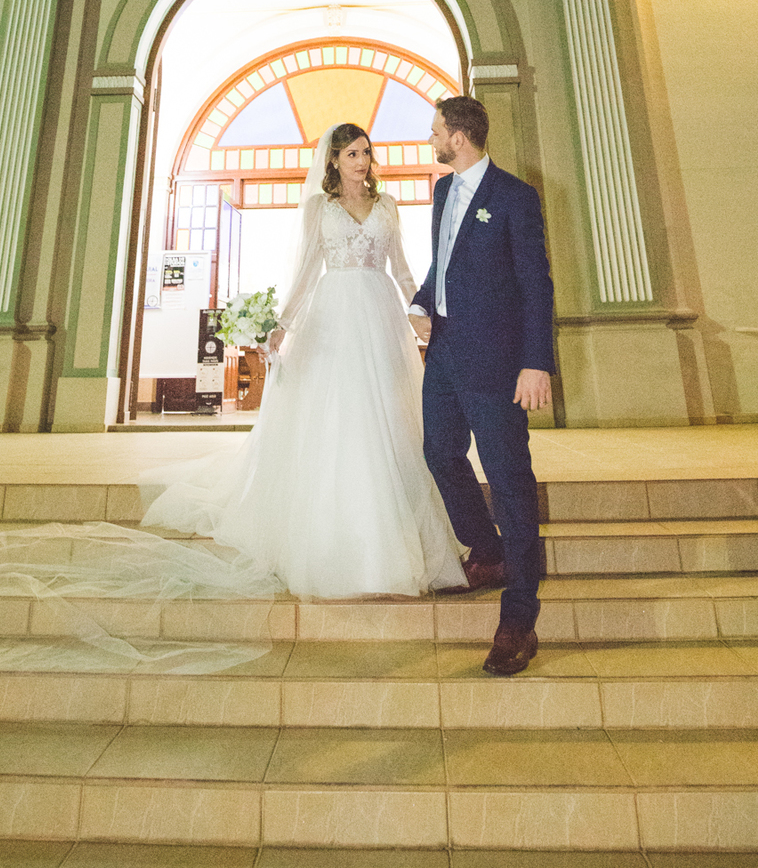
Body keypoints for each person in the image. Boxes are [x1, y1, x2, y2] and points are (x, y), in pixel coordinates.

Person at [142, 122, 465, 599]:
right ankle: (337, 539)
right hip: (332, 318)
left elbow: (401, 268)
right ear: (333, 160)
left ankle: (398, 531)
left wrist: (419, 313)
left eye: (366, 152)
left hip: (379, 317)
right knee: (340, 416)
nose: (361, 161)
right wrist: (284, 323)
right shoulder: (320, 208)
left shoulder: (389, 206)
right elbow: (308, 270)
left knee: (390, 418)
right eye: (352, 153)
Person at [409, 95, 555, 676]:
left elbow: (535, 284)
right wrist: (422, 303)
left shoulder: (515, 198)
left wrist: (535, 362)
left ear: (459, 138)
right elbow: (440, 264)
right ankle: (486, 550)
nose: (432, 140)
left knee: (511, 480)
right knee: (439, 452)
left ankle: (518, 617)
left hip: (499, 364)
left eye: (436, 132)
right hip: (443, 354)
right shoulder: (443, 191)